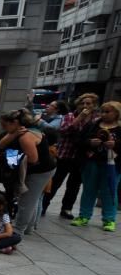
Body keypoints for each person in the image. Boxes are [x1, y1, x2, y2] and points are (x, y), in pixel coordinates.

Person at [0, 109, 55, 234]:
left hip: (40, 171)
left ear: (15, 122)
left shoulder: (26, 136)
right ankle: (28, 228)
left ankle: (18, 230)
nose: (3, 128)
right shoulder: (17, 132)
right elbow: (1, 145)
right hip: (37, 169)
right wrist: (13, 134)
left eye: (5, 125)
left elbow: (33, 159)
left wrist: (12, 159)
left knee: (26, 200)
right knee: (31, 199)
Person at [71, 100, 120, 232]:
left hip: (112, 164)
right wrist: (90, 142)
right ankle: (84, 216)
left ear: (116, 113)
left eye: (107, 112)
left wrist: (116, 145)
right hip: (91, 161)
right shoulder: (93, 125)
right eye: (102, 111)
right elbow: (79, 140)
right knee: (88, 189)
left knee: (109, 191)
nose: (104, 114)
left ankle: (109, 219)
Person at [44, 94, 95, 219]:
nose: (85, 106)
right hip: (65, 154)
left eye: (89, 104)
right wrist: (79, 119)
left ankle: (67, 208)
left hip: (81, 156)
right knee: (56, 181)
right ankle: (44, 205)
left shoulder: (95, 119)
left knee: (74, 184)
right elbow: (63, 130)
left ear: (94, 106)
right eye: (82, 103)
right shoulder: (70, 116)